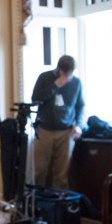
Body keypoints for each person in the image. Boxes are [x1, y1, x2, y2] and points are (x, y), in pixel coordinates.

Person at [30, 55, 85, 189]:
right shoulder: (44, 77)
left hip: (66, 132)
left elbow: (80, 105)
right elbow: (35, 99)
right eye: (66, 73)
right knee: (39, 172)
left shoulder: (76, 83)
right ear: (60, 70)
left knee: (61, 175)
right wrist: (54, 86)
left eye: (71, 73)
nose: (68, 76)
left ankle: (58, 207)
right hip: (44, 131)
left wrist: (78, 124)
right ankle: (39, 205)